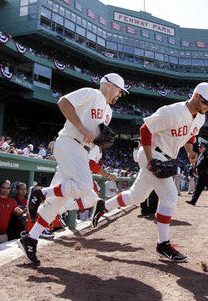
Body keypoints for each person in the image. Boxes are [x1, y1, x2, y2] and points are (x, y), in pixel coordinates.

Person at [95, 82, 208, 262]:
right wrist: (150, 159)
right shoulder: (172, 111)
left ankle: (103, 206)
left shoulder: (200, 117)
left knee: (136, 196)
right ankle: (163, 244)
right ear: (196, 97)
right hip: (151, 152)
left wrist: (190, 151)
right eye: (207, 103)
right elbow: (145, 130)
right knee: (170, 197)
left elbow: (190, 135)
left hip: (166, 156)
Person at [21, 73, 128, 265]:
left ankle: (30, 238)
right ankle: (39, 192)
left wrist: (98, 141)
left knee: (57, 201)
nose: (120, 95)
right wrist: (80, 127)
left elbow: (94, 135)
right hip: (69, 142)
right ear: (110, 86)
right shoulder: (92, 93)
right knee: (85, 187)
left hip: (83, 150)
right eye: (119, 90)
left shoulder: (108, 112)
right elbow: (63, 102)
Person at [0, 180, 24, 252]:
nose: (6, 190)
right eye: (4, 187)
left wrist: (19, 211)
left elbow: (17, 212)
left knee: (1, 256)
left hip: (3, 235)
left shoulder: (12, 201)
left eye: (8, 188)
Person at [186, 142, 208, 206]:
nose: (199, 148)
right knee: (197, 189)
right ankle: (193, 201)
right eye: (199, 147)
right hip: (201, 175)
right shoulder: (200, 155)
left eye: (201, 147)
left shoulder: (206, 154)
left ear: (205, 148)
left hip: (207, 175)